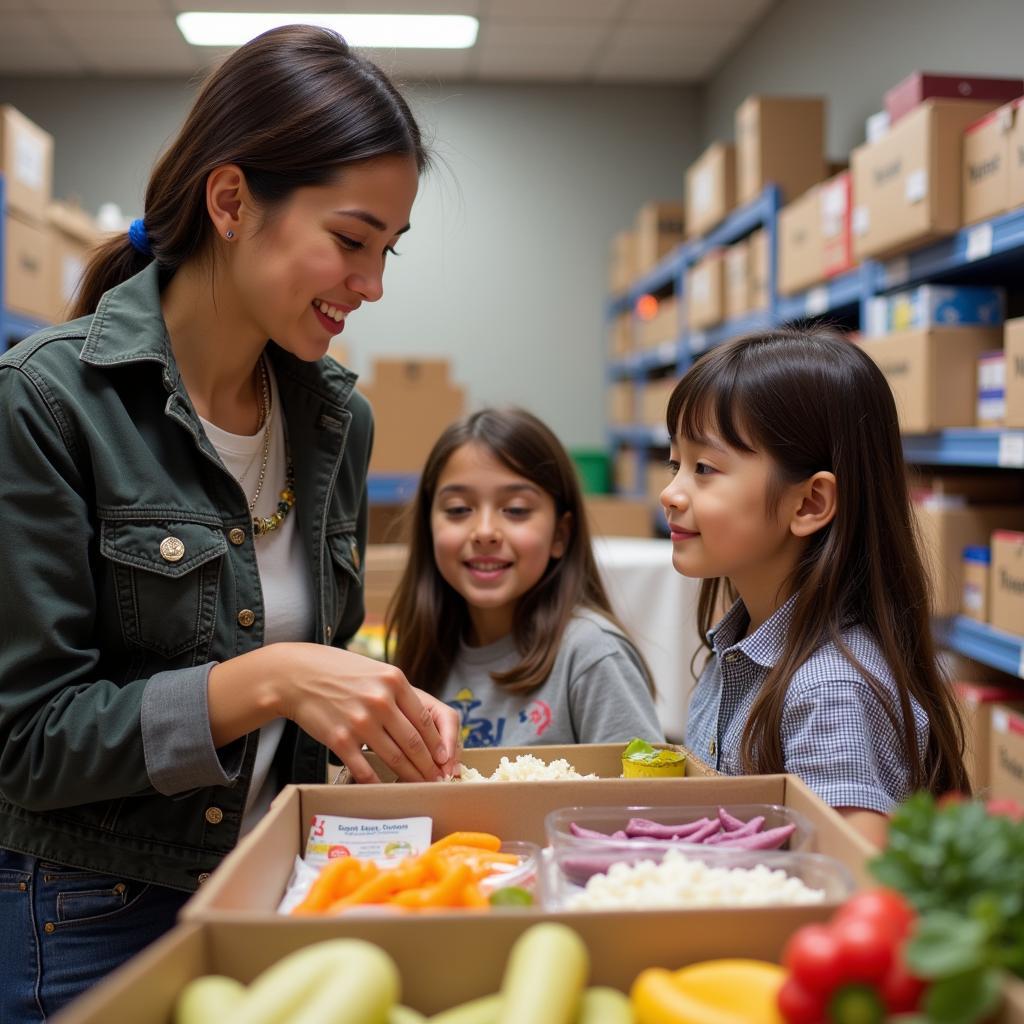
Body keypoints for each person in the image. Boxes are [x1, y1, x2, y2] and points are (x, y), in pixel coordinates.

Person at [0, 24, 460, 1019]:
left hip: (275, 891)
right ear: (231, 200)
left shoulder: (337, 419)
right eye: (349, 240)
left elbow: (303, 675)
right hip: (90, 916)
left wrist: (372, 714)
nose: (372, 285)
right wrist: (271, 678)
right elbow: (28, 740)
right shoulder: (46, 402)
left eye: (387, 249)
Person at [660, 328, 969, 846]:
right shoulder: (738, 652)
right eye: (676, 464)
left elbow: (848, 882)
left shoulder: (828, 689)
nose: (670, 492)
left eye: (704, 468)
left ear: (809, 504)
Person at [386, 407, 664, 748]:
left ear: (560, 534)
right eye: (459, 509)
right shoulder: (423, 650)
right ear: (429, 526)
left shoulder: (592, 655)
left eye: (516, 509)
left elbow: (644, 793)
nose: (485, 532)